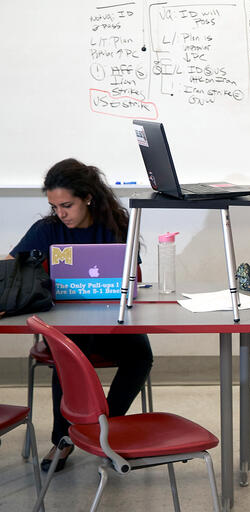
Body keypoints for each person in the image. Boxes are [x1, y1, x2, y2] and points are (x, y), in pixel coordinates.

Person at [8, 158, 153, 472]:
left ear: (87, 197)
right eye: (54, 206)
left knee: (141, 355)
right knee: (70, 355)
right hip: (65, 325)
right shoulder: (47, 229)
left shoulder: (117, 225)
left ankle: (105, 430)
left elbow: (133, 276)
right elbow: (10, 266)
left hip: (110, 321)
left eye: (67, 205)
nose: (61, 213)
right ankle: (64, 440)